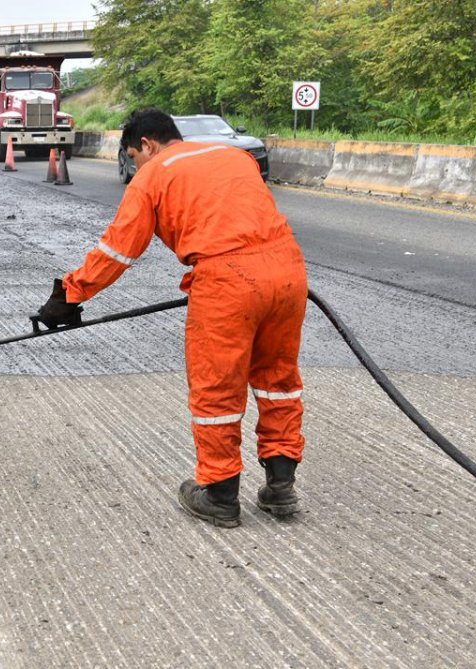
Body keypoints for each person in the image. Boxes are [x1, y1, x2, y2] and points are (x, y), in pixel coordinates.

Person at [35, 108, 308, 528]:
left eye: (134, 155)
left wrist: (68, 296)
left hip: (225, 281)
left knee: (217, 388)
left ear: (147, 144)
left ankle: (219, 495)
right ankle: (281, 489)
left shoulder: (154, 173)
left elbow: (119, 250)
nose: (136, 164)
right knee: (279, 380)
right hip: (288, 271)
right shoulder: (235, 158)